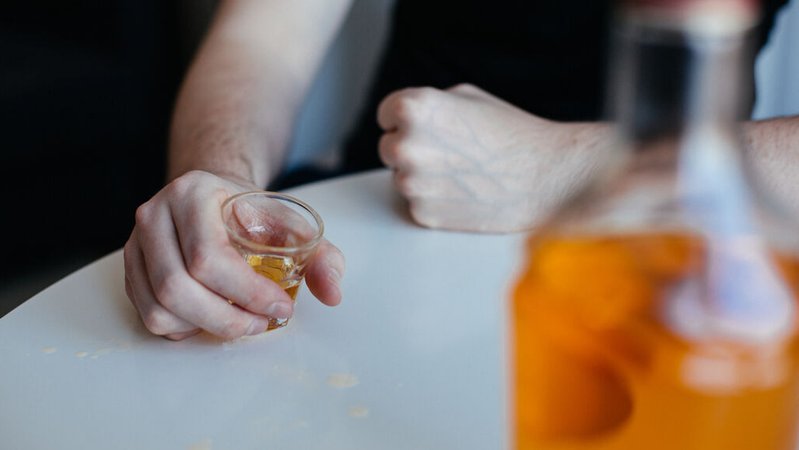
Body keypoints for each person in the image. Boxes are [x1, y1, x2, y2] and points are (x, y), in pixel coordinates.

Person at [124, 0, 796, 340]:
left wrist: (553, 169)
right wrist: (220, 189)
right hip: (379, 230)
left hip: (680, 264)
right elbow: (263, 36)